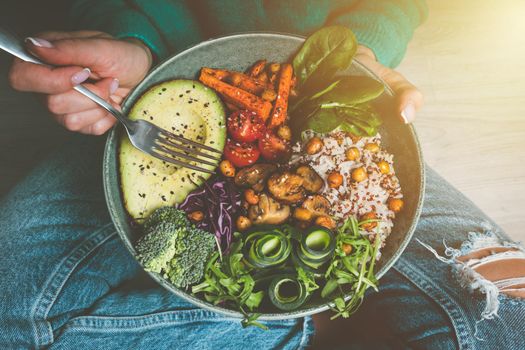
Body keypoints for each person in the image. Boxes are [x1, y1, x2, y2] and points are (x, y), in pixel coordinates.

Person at [2, 1, 524, 349]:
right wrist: (131, 42)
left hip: (328, 110)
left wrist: (360, 48)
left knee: (505, 319)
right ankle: (280, 327)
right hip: (162, 87)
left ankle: (271, 326)